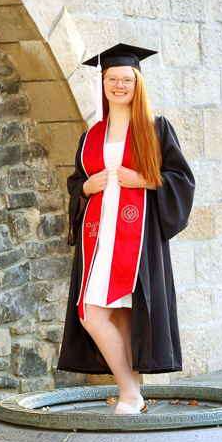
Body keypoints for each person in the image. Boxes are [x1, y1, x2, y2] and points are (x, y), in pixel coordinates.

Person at [56, 43, 196, 415]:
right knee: (92, 313)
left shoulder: (155, 128)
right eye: (112, 79)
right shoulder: (91, 136)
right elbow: (76, 183)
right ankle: (131, 392)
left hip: (137, 239)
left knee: (124, 315)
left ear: (138, 83)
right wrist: (87, 187)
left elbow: (181, 179)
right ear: (103, 83)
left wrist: (146, 180)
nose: (119, 85)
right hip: (100, 238)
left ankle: (131, 396)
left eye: (126, 79)